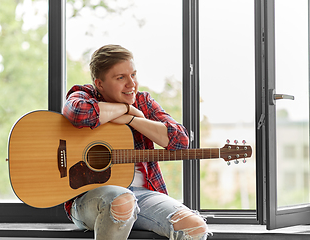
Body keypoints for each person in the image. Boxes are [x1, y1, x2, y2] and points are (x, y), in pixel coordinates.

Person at [62, 44, 209, 240]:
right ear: (100, 84)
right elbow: (78, 113)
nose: (131, 84)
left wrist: (133, 119)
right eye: (120, 77)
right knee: (122, 200)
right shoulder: (85, 95)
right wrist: (124, 109)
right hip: (89, 199)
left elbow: (180, 140)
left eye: (133, 75)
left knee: (195, 228)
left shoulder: (143, 102)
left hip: (143, 195)